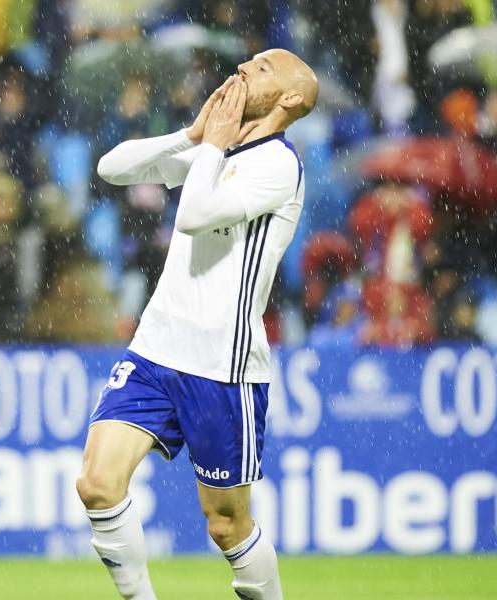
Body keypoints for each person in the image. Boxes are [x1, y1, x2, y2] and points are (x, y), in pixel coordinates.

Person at [75, 48, 318, 600]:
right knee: (96, 484)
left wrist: (209, 148)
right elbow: (111, 168)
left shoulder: (280, 164)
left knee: (225, 525)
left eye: (262, 68)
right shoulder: (220, 150)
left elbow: (193, 216)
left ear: (290, 98)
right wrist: (192, 135)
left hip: (221, 366)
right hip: (155, 349)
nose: (243, 68)